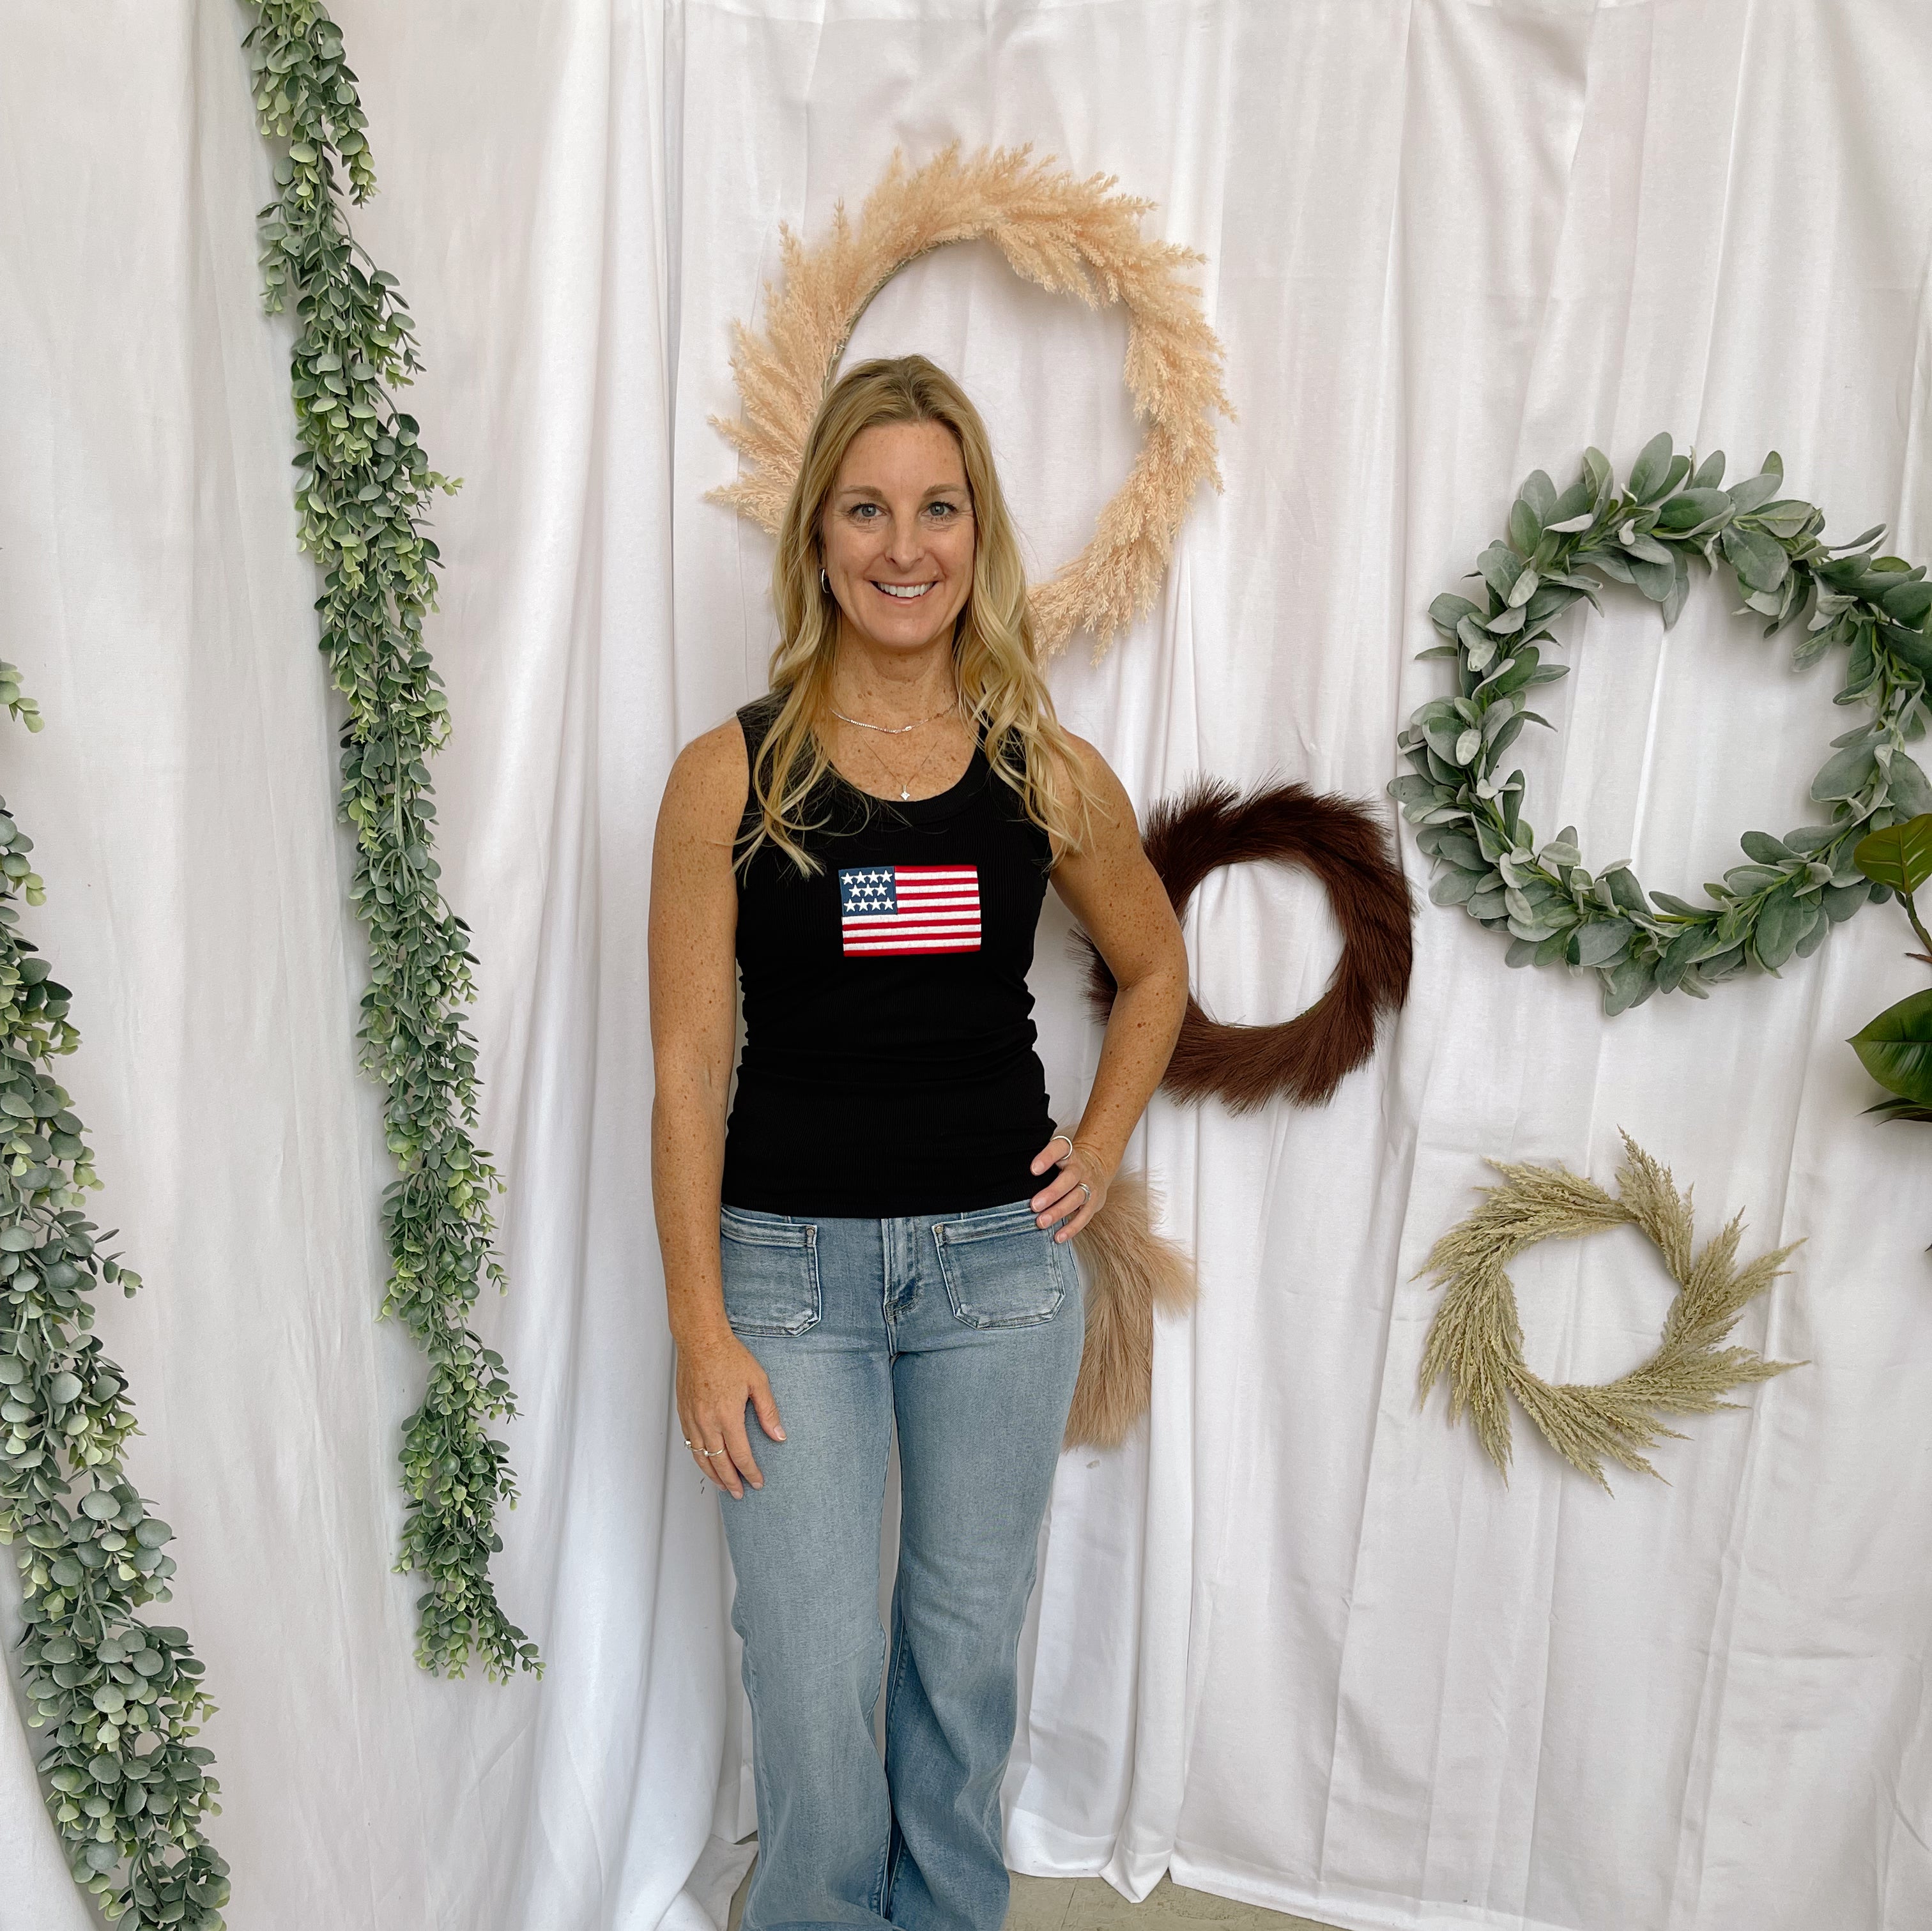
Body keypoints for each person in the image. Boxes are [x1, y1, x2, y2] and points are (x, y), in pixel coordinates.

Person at [648, 353, 1188, 1931]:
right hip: (785, 1281)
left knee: (962, 1654)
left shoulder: (1042, 767)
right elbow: (686, 1069)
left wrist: (1099, 1141)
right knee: (809, 1661)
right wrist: (701, 1329)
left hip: (1000, 1279)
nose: (905, 547)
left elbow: (1156, 969)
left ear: (978, 532)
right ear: (819, 536)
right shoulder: (730, 773)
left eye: (938, 509)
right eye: (868, 510)